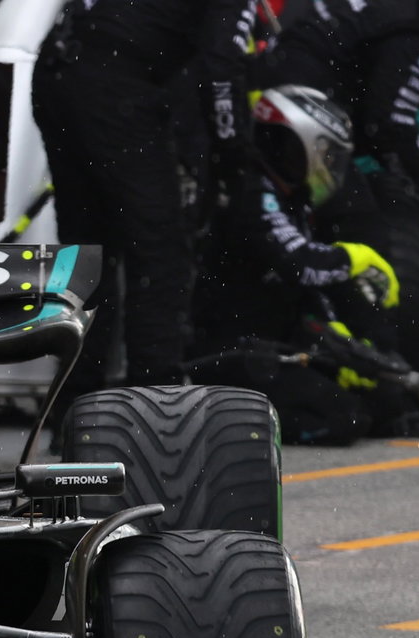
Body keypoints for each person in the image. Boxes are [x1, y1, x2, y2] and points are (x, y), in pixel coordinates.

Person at [32, 0, 264, 409]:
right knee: (160, 253)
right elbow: (221, 63)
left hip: (61, 70)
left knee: (88, 254)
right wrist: (233, 152)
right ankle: (159, 401)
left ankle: (72, 403)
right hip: (113, 82)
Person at [189, 86, 419, 443]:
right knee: (346, 420)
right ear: (299, 143)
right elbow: (299, 263)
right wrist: (353, 258)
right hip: (233, 351)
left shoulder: (290, 199)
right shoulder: (250, 192)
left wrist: (342, 338)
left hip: (280, 345)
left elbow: (308, 284)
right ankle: (231, 428)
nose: (331, 166)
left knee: (383, 402)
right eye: (328, 154)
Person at [258, 0, 419, 236]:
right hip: (294, 119)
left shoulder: (408, 14)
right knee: (361, 226)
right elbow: (388, 125)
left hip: (274, 95)